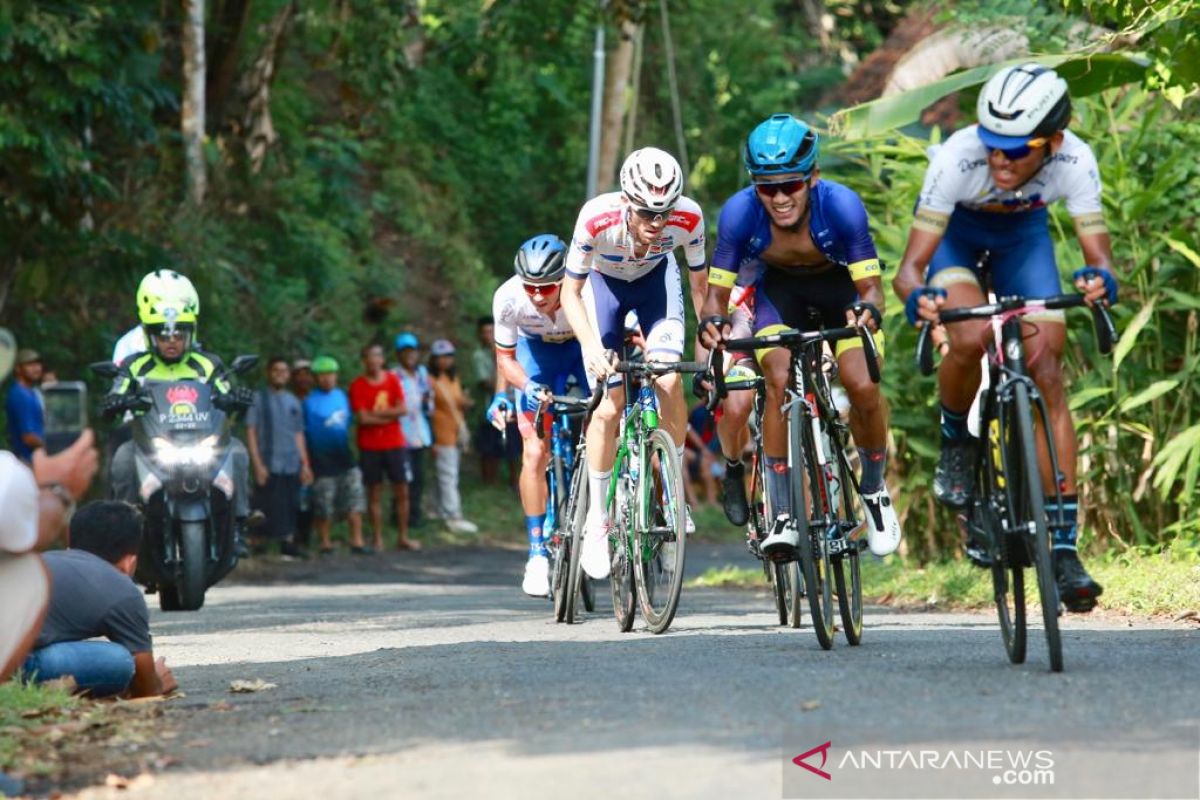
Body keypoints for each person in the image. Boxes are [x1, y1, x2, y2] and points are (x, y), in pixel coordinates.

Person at [892, 64, 1113, 611]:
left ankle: (1063, 547)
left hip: (1024, 243)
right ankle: (956, 443)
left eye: (1016, 151)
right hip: (956, 244)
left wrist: (1098, 281)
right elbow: (909, 270)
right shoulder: (955, 159)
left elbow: (1101, 261)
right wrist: (917, 299)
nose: (999, 160)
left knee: (1047, 370)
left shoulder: (1075, 159)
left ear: (1053, 142)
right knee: (966, 336)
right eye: (993, 146)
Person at [698, 114, 901, 560]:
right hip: (780, 295)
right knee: (777, 378)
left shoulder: (842, 206)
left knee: (862, 384)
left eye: (790, 184)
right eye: (766, 187)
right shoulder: (739, 213)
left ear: (813, 177)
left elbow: (871, 290)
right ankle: (785, 512)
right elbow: (715, 298)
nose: (779, 197)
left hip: (840, 291)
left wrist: (868, 312)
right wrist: (712, 323)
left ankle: (873, 489)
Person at [559, 147, 709, 580]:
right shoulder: (595, 217)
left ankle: (674, 490)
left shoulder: (689, 218)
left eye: (664, 213)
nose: (656, 223)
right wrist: (590, 346)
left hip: (656, 287)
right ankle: (597, 521)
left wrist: (708, 347)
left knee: (668, 380)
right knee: (609, 401)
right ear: (627, 202)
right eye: (646, 213)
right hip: (603, 289)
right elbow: (570, 292)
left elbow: (700, 288)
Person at [104, 269, 254, 529]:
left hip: (199, 435)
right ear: (151, 337)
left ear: (190, 334)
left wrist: (235, 399)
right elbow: (115, 395)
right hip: (149, 440)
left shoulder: (207, 364)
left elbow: (224, 392)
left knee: (238, 452)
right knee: (122, 460)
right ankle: (125, 524)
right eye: (164, 336)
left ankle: (239, 522)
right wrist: (115, 402)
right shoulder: (134, 365)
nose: (171, 342)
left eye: (178, 335)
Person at [487, 234, 591, 596]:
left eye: (547, 288)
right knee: (533, 451)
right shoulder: (507, 297)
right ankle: (536, 553)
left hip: (581, 346)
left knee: (604, 416)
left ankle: (600, 513)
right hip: (536, 356)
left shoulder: (587, 288)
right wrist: (516, 391)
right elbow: (505, 360)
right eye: (530, 286)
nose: (537, 295)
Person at [22, 501, 177, 698]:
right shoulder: (123, 590)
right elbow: (147, 688)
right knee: (121, 661)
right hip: (16, 666)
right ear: (130, 563)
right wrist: (157, 682)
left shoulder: (44, 559)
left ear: (70, 546)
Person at [349, 343, 420, 551]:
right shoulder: (358, 385)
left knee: (402, 490)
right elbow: (363, 419)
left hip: (395, 443)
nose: (373, 361)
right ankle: (378, 538)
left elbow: (403, 409)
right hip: (370, 446)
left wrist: (375, 416)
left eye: (377, 356)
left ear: (382, 359)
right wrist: (389, 415)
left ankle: (403, 536)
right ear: (364, 360)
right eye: (369, 357)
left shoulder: (392, 380)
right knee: (374, 492)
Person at [246, 357, 314, 557]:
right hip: (268, 460)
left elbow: (298, 434)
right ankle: (258, 543)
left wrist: (305, 464)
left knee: (291, 503)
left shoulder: (293, 401)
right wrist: (257, 464)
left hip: (291, 461)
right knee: (264, 504)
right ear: (268, 372)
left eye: (284, 371)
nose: (280, 374)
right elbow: (251, 431)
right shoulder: (258, 399)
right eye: (276, 370)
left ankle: (288, 543)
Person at [304, 356, 368, 555]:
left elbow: (348, 424)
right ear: (316, 378)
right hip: (321, 460)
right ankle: (325, 542)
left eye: (330, 374)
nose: (327, 379)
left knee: (354, 500)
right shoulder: (308, 402)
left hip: (345, 457)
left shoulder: (342, 396)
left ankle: (357, 541)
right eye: (322, 375)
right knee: (324, 504)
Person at [428, 340, 478, 534]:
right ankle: (453, 516)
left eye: (449, 356)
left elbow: (455, 401)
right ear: (433, 359)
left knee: (443, 474)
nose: (445, 360)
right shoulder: (430, 380)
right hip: (441, 434)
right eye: (441, 356)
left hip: (455, 431)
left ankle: (435, 509)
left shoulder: (452, 378)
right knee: (448, 476)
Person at [393, 333, 433, 528]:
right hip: (400, 434)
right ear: (399, 354)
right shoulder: (393, 376)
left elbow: (428, 401)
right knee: (403, 479)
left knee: (418, 478)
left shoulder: (422, 374)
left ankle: (415, 516)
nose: (410, 355)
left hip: (420, 433)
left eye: (413, 351)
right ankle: (400, 516)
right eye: (405, 351)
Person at [6, 348, 45, 463]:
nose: (37, 368)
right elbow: (28, 437)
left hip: (36, 459)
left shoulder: (31, 392)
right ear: (18, 368)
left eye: (38, 364)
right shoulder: (20, 395)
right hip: (26, 462)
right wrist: (53, 448)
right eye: (30, 364)